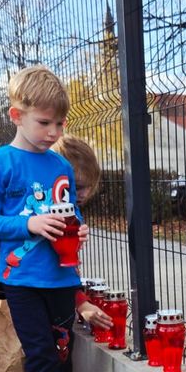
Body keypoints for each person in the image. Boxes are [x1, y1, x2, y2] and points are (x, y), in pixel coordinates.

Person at [0, 66, 91, 372]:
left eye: (60, 123)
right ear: (16, 115)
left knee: (61, 347)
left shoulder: (61, 166)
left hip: (62, 277)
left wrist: (80, 228)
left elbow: (69, 208)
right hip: (22, 279)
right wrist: (30, 224)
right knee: (39, 350)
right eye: (44, 122)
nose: (54, 133)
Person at [50, 134, 112, 332]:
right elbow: (60, 270)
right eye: (77, 187)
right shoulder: (53, 219)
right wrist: (81, 302)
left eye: (89, 186)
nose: (84, 194)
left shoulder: (73, 214)